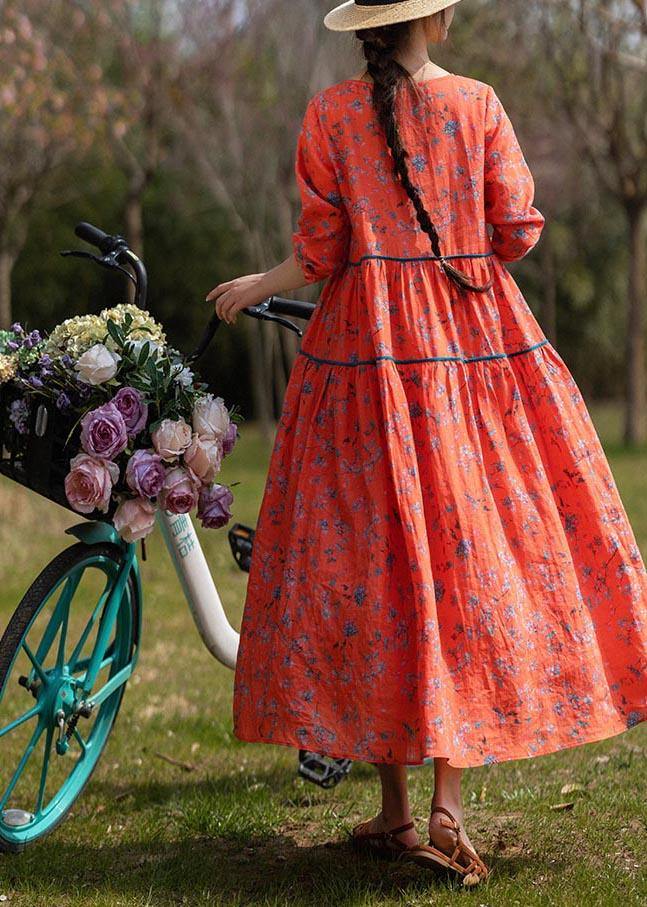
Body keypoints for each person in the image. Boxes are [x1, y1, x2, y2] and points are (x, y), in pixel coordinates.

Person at [206, 0, 647, 886]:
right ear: (436, 19)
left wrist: (257, 283)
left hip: (361, 355)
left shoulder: (333, 113)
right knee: (465, 556)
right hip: (469, 351)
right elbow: (516, 228)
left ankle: (398, 810)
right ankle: (441, 805)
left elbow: (320, 249)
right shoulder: (478, 104)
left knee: (376, 563)